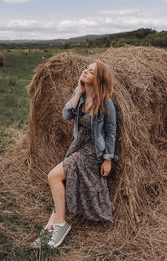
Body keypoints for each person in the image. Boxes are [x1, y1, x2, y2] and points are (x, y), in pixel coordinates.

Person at [31, 61, 118, 249]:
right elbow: (65, 115)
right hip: (77, 147)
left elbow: (111, 131)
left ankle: (61, 225)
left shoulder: (106, 103)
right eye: (86, 68)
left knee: (53, 176)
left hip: (93, 151)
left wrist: (108, 159)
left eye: (91, 71)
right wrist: (78, 92)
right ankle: (48, 228)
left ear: (99, 78)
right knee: (61, 181)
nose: (85, 71)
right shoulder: (79, 95)